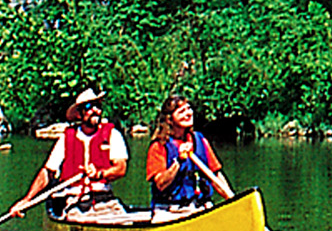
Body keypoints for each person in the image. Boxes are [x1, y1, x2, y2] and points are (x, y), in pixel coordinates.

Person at [25, 87, 129, 216]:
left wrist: (99, 174)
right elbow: (48, 172)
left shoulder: (113, 135)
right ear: (79, 114)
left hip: (104, 199)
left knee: (123, 218)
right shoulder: (66, 138)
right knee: (78, 217)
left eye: (98, 106)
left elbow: (120, 168)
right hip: (73, 201)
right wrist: (27, 200)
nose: (95, 110)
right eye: (89, 106)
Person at [141, 93, 233, 213]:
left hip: (201, 206)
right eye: (182, 111)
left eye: (189, 108)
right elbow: (161, 184)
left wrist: (232, 201)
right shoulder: (159, 146)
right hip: (172, 210)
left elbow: (216, 175)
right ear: (169, 119)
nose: (188, 113)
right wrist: (178, 161)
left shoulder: (200, 140)